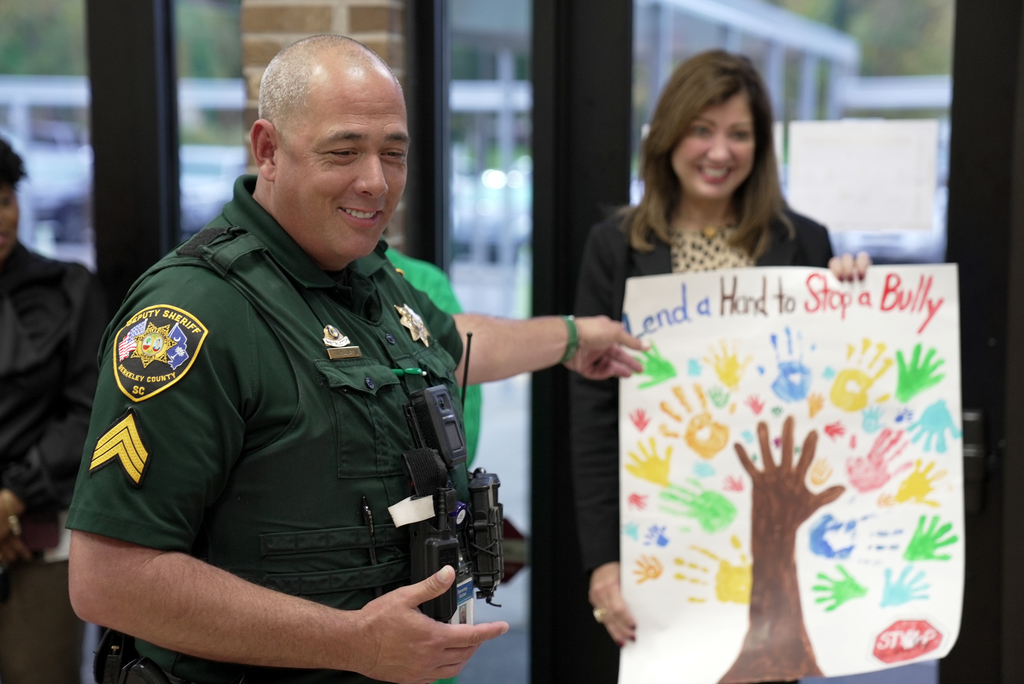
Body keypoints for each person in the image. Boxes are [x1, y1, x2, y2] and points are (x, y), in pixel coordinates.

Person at [66, 35, 644, 684]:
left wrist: (573, 338)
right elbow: (110, 578)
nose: (375, 181)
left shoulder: (366, 278)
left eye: (393, 153)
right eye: (343, 152)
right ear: (268, 151)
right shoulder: (194, 315)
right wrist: (349, 641)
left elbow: (450, 345)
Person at [569, 50, 868, 676]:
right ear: (669, 136)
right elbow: (594, 416)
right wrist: (603, 561)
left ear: (760, 146)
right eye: (702, 129)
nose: (719, 151)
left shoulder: (805, 243)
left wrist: (851, 295)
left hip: (771, 521)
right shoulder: (615, 248)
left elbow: (838, 394)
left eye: (739, 134)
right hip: (661, 536)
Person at [0, 135, 105, 683]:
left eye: (4, 200)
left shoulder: (68, 289)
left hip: (43, 534)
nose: (0, 218)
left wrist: (13, 497)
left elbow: (90, 412)